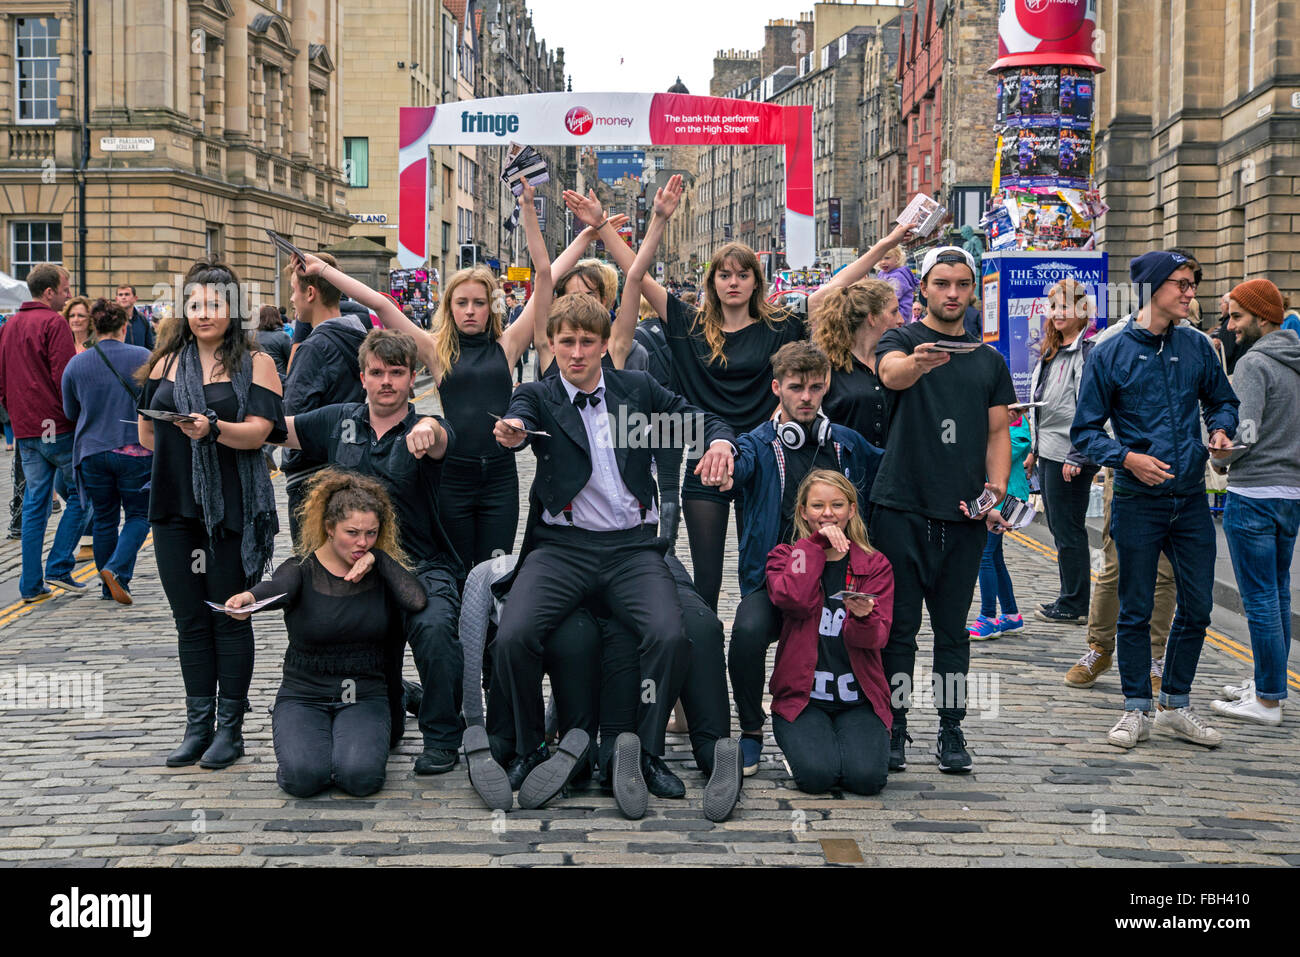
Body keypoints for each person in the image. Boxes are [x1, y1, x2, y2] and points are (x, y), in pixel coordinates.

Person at [487, 291, 735, 811]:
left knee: (670, 634)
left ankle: (642, 751)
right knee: (514, 635)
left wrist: (719, 443)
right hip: (563, 547)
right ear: (552, 345)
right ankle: (532, 747)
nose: (576, 353)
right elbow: (516, 417)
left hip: (631, 549)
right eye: (566, 342)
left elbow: (697, 418)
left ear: (604, 344)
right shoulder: (540, 395)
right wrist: (511, 433)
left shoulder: (636, 389)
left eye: (587, 342)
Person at [563, 188, 788, 612]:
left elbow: (834, 290)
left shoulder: (779, 326)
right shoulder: (691, 325)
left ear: (757, 280)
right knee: (705, 582)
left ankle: (748, 649)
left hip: (760, 458)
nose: (734, 282)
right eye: (725, 275)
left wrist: (887, 244)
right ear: (713, 282)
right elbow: (637, 276)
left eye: (743, 274)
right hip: (704, 457)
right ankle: (707, 660)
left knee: (761, 579)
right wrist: (622, 223)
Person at [1071, 250, 1239, 749]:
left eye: (1193, 284)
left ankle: (1176, 704)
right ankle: (1135, 709)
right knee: (1135, 609)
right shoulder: (1110, 351)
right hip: (1137, 499)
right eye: (1181, 284)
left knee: (1199, 607)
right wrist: (1127, 459)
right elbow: (1084, 433)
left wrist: (1223, 430)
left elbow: (1221, 400)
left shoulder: (1198, 347)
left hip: (1189, 497)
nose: (1191, 292)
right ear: (1150, 288)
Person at [280, 328, 464, 776]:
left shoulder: (424, 427)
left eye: (396, 373)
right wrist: (214, 425)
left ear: (412, 377)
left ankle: (442, 735)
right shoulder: (338, 420)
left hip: (419, 564)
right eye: (377, 372)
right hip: (351, 568)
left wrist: (427, 429)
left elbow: (439, 436)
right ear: (362, 376)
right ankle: (391, 702)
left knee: (435, 629)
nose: (386, 381)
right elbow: (273, 431)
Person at [350, 182, 549, 579]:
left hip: (499, 478)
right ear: (450, 307)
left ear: (490, 306)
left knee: (496, 574)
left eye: (479, 302)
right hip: (452, 479)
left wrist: (529, 208)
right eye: (462, 303)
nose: (471, 311)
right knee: (457, 575)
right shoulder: (436, 350)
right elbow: (378, 304)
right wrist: (321, 269)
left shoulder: (507, 345)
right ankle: (460, 642)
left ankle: (493, 643)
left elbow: (544, 276)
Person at [870, 246, 1016, 773]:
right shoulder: (904, 340)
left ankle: (951, 729)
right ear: (924, 289)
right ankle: (896, 726)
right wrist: (918, 363)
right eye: (941, 283)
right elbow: (890, 374)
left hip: (963, 516)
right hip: (902, 507)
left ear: (972, 290)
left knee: (953, 630)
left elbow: (999, 430)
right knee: (900, 629)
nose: (952, 293)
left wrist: (996, 489)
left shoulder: (989, 359)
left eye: (961, 284)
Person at [137, 257, 284, 769]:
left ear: (234, 309)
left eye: (215, 303)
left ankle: (230, 729)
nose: (203, 313)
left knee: (228, 616)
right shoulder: (165, 363)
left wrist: (212, 430)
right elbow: (147, 433)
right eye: (195, 303)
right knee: (189, 621)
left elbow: (261, 433)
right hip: (175, 506)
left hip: (230, 510)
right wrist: (183, 438)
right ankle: (196, 725)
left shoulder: (255, 364)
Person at [711, 341, 882, 775]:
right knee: (747, 635)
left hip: (839, 581)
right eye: (796, 388)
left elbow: (893, 471)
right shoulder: (757, 444)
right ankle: (750, 730)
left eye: (815, 387)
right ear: (776, 388)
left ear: (826, 389)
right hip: (776, 578)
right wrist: (724, 453)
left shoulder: (846, 445)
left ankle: (873, 729)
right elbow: (739, 461)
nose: (806, 397)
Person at [223, 470, 427, 796]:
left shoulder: (378, 566)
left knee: (359, 779)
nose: (362, 542)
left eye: (372, 533)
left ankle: (398, 696)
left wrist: (379, 558)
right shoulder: (302, 568)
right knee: (304, 779)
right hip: (305, 694)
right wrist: (248, 598)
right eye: (353, 533)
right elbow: (275, 587)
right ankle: (303, 732)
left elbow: (416, 600)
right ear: (329, 529)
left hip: (364, 693)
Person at [765, 470, 894, 794]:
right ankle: (806, 750)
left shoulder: (875, 565)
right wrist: (813, 546)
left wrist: (863, 619)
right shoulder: (785, 557)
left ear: (851, 510)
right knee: (817, 778)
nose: (827, 513)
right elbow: (791, 600)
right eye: (818, 505)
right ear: (803, 512)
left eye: (837, 505)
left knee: (866, 781)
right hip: (803, 700)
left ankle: (845, 746)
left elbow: (877, 638)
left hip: (858, 700)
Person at [1210, 278, 1298, 727]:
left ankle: (1266, 701)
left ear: (1264, 318)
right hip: (1290, 494)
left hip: (1255, 493)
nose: (1230, 326)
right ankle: (1270, 684)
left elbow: (1245, 432)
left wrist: (1220, 457)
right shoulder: (1295, 359)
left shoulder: (1254, 364)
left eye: (1237, 316)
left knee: (1260, 597)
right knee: (1278, 593)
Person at [0, 263, 92, 603]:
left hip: (25, 428)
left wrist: (14, 413)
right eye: (65, 289)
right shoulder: (53, 322)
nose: (69, 295)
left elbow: (2, 380)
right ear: (49, 291)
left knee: (34, 506)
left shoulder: (9, 325)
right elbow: (65, 379)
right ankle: (59, 565)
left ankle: (31, 585)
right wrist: (78, 418)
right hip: (56, 427)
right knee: (84, 496)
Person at [60, 300, 153, 604]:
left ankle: (106, 586)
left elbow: (70, 411)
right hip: (134, 449)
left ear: (93, 328)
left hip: (92, 451)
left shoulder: (76, 364)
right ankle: (116, 570)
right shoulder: (143, 357)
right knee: (139, 515)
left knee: (104, 519)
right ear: (124, 327)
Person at [280, 251, 371, 546]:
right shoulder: (359, 337)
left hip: (312, 481)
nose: (291, 300)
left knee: (314, 570)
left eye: (294, 290)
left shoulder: (315, 348)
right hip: (351, 469)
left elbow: (292, 420)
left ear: (310, 292)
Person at [1026, 278, 1100, 623]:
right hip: (1050, 451)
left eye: (1066, 306)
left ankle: (1074, 603)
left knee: (1068, 529)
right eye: (1053, 306)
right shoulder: (1054, 349)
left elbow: (1089, 407)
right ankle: (1069, 597)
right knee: (1059, 527)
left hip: (1069, 454)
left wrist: (1078, 454)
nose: (1057, 313)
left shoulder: (1086, 351)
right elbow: (1047, 404)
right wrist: (1034, 449)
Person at [813, 278, 903, 449]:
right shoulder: (827, 366)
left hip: (892, 471)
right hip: (845, 471)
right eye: (894, 312)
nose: (901, 319)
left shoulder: (894, 360)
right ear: (873, 318)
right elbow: (784, 415)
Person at [968, 408, 1032, 639]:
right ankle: (1011, 615)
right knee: (994, 556)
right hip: (990, 495)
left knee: (986, 554)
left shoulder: (1014, 417)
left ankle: (988, 617)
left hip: (1007, 495)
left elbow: (1015, 447)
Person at [254, 304, 292, 378]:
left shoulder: (252, 336)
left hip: (257, 379)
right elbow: (292, 361)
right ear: (277, 317)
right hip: (279, 380)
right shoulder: (283, 337)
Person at [114, 284, 157, 350]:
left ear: (135, 298)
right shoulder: (112, 320)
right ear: (116, 299)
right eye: (120, 295)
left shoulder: (142, 319)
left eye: (127, 294)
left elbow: (150, 347)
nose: (123, 297)